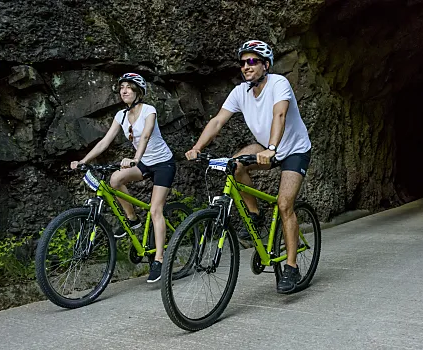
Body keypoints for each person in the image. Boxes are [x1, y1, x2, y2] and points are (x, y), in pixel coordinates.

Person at [185, 40, 312, 294]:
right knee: (234, 165)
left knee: (285, 204)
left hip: (293, 150)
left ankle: (291, 267)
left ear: (265, 65)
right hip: (266, 147)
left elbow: (280, 115)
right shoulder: (240, 92)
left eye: (252, 61)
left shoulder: (278, 84)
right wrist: (197, 147)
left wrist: (272, 149)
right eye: (243, 62)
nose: (246, 66)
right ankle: (255, 215)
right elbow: (218, 121)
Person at [70, 73, 175, 283]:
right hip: (144, 163)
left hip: (163, 164)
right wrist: (84, 161)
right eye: (122, 87)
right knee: (115, 180)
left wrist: (135, 159)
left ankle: (159, 260)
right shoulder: (121, 115)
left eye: (129, 87)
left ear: (139, 92)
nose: (124, 91)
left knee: (155, 210)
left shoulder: (149, 110)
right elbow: (104, 142)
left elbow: (145, 136)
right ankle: (133, 219)